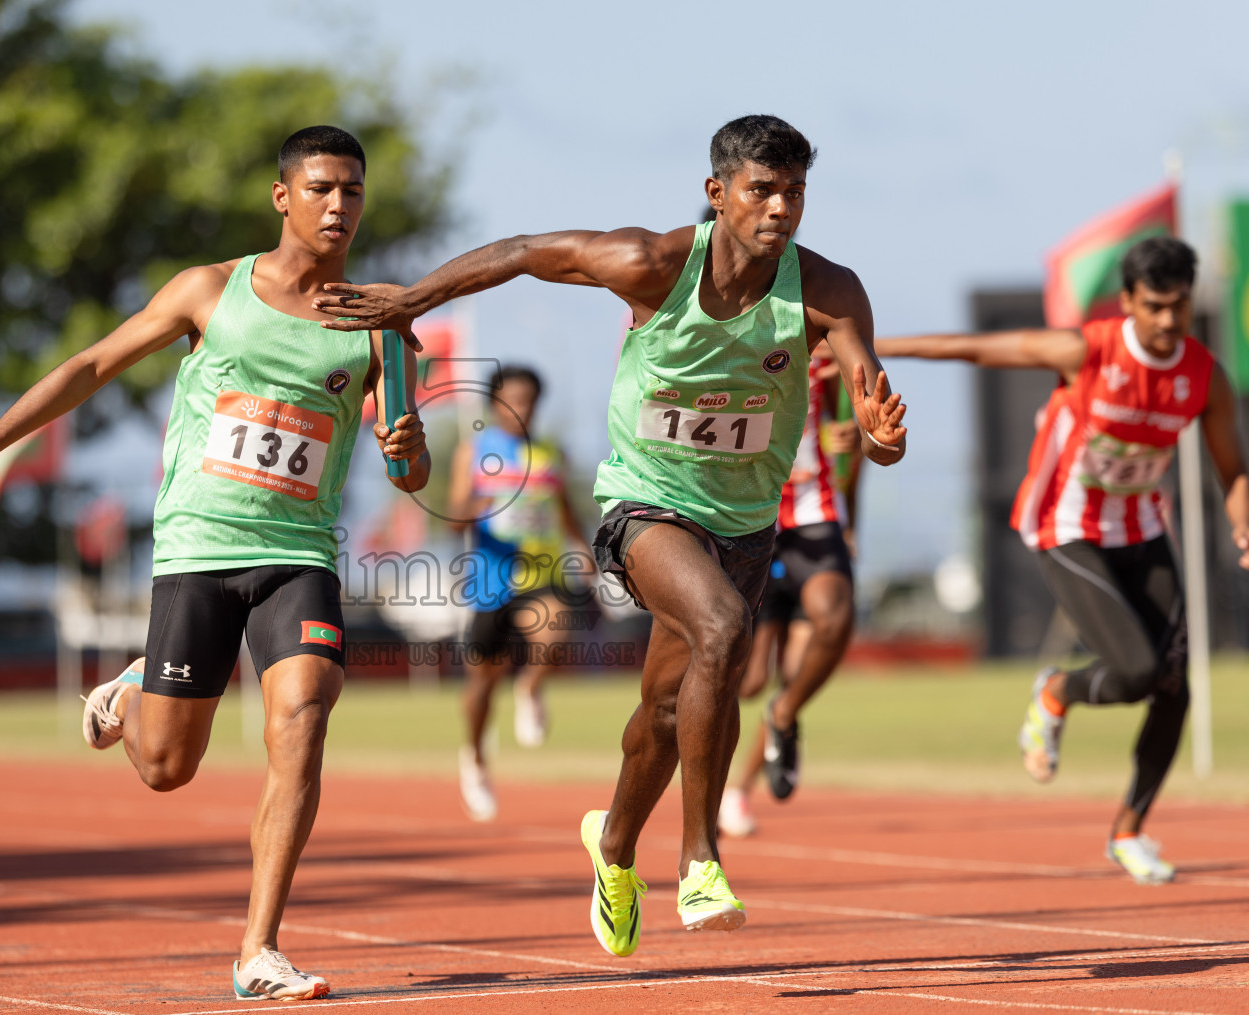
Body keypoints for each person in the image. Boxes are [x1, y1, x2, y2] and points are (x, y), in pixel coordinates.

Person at [310, 114, 907, 955]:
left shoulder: (828, 291)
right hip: (647, 503)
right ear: (717, 194)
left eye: (795, 192)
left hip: (744, 521)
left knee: (669, 708)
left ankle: (614, 846)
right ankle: (701, 858)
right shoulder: (653, 264)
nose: (780, 208)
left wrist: (884, 437)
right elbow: (521, 250)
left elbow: (874, 416)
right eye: (761, 190)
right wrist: (412, 298)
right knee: (724, 631)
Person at [0, 126, 430, 999]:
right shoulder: (210, 291)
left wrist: (409, 441)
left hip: (299, 553)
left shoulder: (379, 321)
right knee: (167, 767)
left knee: (305, 713)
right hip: (200, 548)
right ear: (283, 196)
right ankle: (133, 696)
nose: (338, 206)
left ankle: (258, 951)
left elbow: (408, 468)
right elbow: (92, 364)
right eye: (321, 188)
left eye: (352, 192)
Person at [875, 236, 1249, 885]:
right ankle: (1056, 689)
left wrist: (1244, 522)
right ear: (1129, 302)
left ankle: (1130, 829)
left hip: (1139, 527)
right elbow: (974, 349)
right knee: (1135, 671)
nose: (1168, 322)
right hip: (1065, 524)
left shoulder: (1204, 374)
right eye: (1155, 306)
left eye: (1180, 307)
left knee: (1176, 686)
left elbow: (1233, 472)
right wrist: (869, 349)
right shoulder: (1088, 351)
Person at [719, 348, 862, 837]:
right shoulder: (728, 355)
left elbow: (851, 439)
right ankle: (715, 780)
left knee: (829, 624)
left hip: (815, 516)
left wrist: (852, 519)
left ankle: (745, 781)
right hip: (753, 523)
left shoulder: (827, 361)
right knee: (752, 678)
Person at [449, 364, 593, 821]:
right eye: (514, 400)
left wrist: (581, 547)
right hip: (491, 577)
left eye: (530, 400)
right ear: (495, 404)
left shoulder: (551, 453)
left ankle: (530, 687)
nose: (523, 409)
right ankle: (474, 758)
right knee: (483, 682)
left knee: (555, 634)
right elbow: (453, 516)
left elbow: (565, 505)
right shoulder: (475, 449)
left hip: (542, 569)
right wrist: (481, 499)